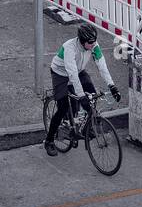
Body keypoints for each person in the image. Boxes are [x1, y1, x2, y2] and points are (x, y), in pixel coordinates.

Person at [44, 24, 120, 156]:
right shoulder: (70, 48)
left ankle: (85, 128)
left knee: (92, 94)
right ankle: (49, 141)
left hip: (78, 71)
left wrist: (112, 86)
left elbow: (102, 66)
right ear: (81, 41)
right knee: (62, 108)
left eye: (94, 41)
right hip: (60, 73)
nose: (93, 44)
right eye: (90, 43)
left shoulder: (93, 45)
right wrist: (80, 95)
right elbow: (71, 74)